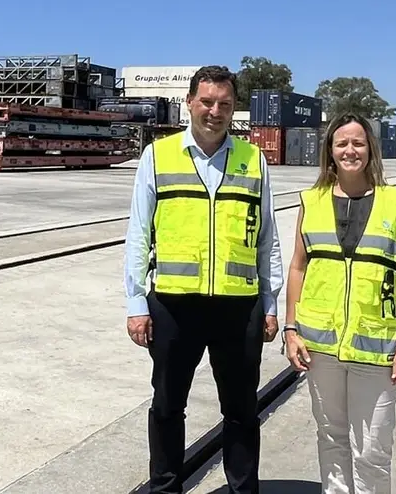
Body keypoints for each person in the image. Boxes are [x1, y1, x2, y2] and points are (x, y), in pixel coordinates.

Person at [123, 65, 284, 494]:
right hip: (175, 306)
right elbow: (139, 235)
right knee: (167, 407)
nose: (215, 111)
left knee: (242, 410)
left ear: (234, 109)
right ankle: (165, 488)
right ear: (190, 103)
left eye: (225, 104)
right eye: (207, 102)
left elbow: (267, 237)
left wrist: (270, 303)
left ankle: (242, 490)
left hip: (238, 306)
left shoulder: (254, 160)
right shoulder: (157, 157)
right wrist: (137, 303)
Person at [281, 113, 396, 494]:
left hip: (376, 349)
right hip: (320, 347)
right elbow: (297, 267)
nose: (350, 150)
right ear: (330, 151)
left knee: (372, 451)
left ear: (370, 149)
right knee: (331, 438)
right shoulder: (311, 202)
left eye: (358, 143)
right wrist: (291, 329)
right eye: (341, 143)